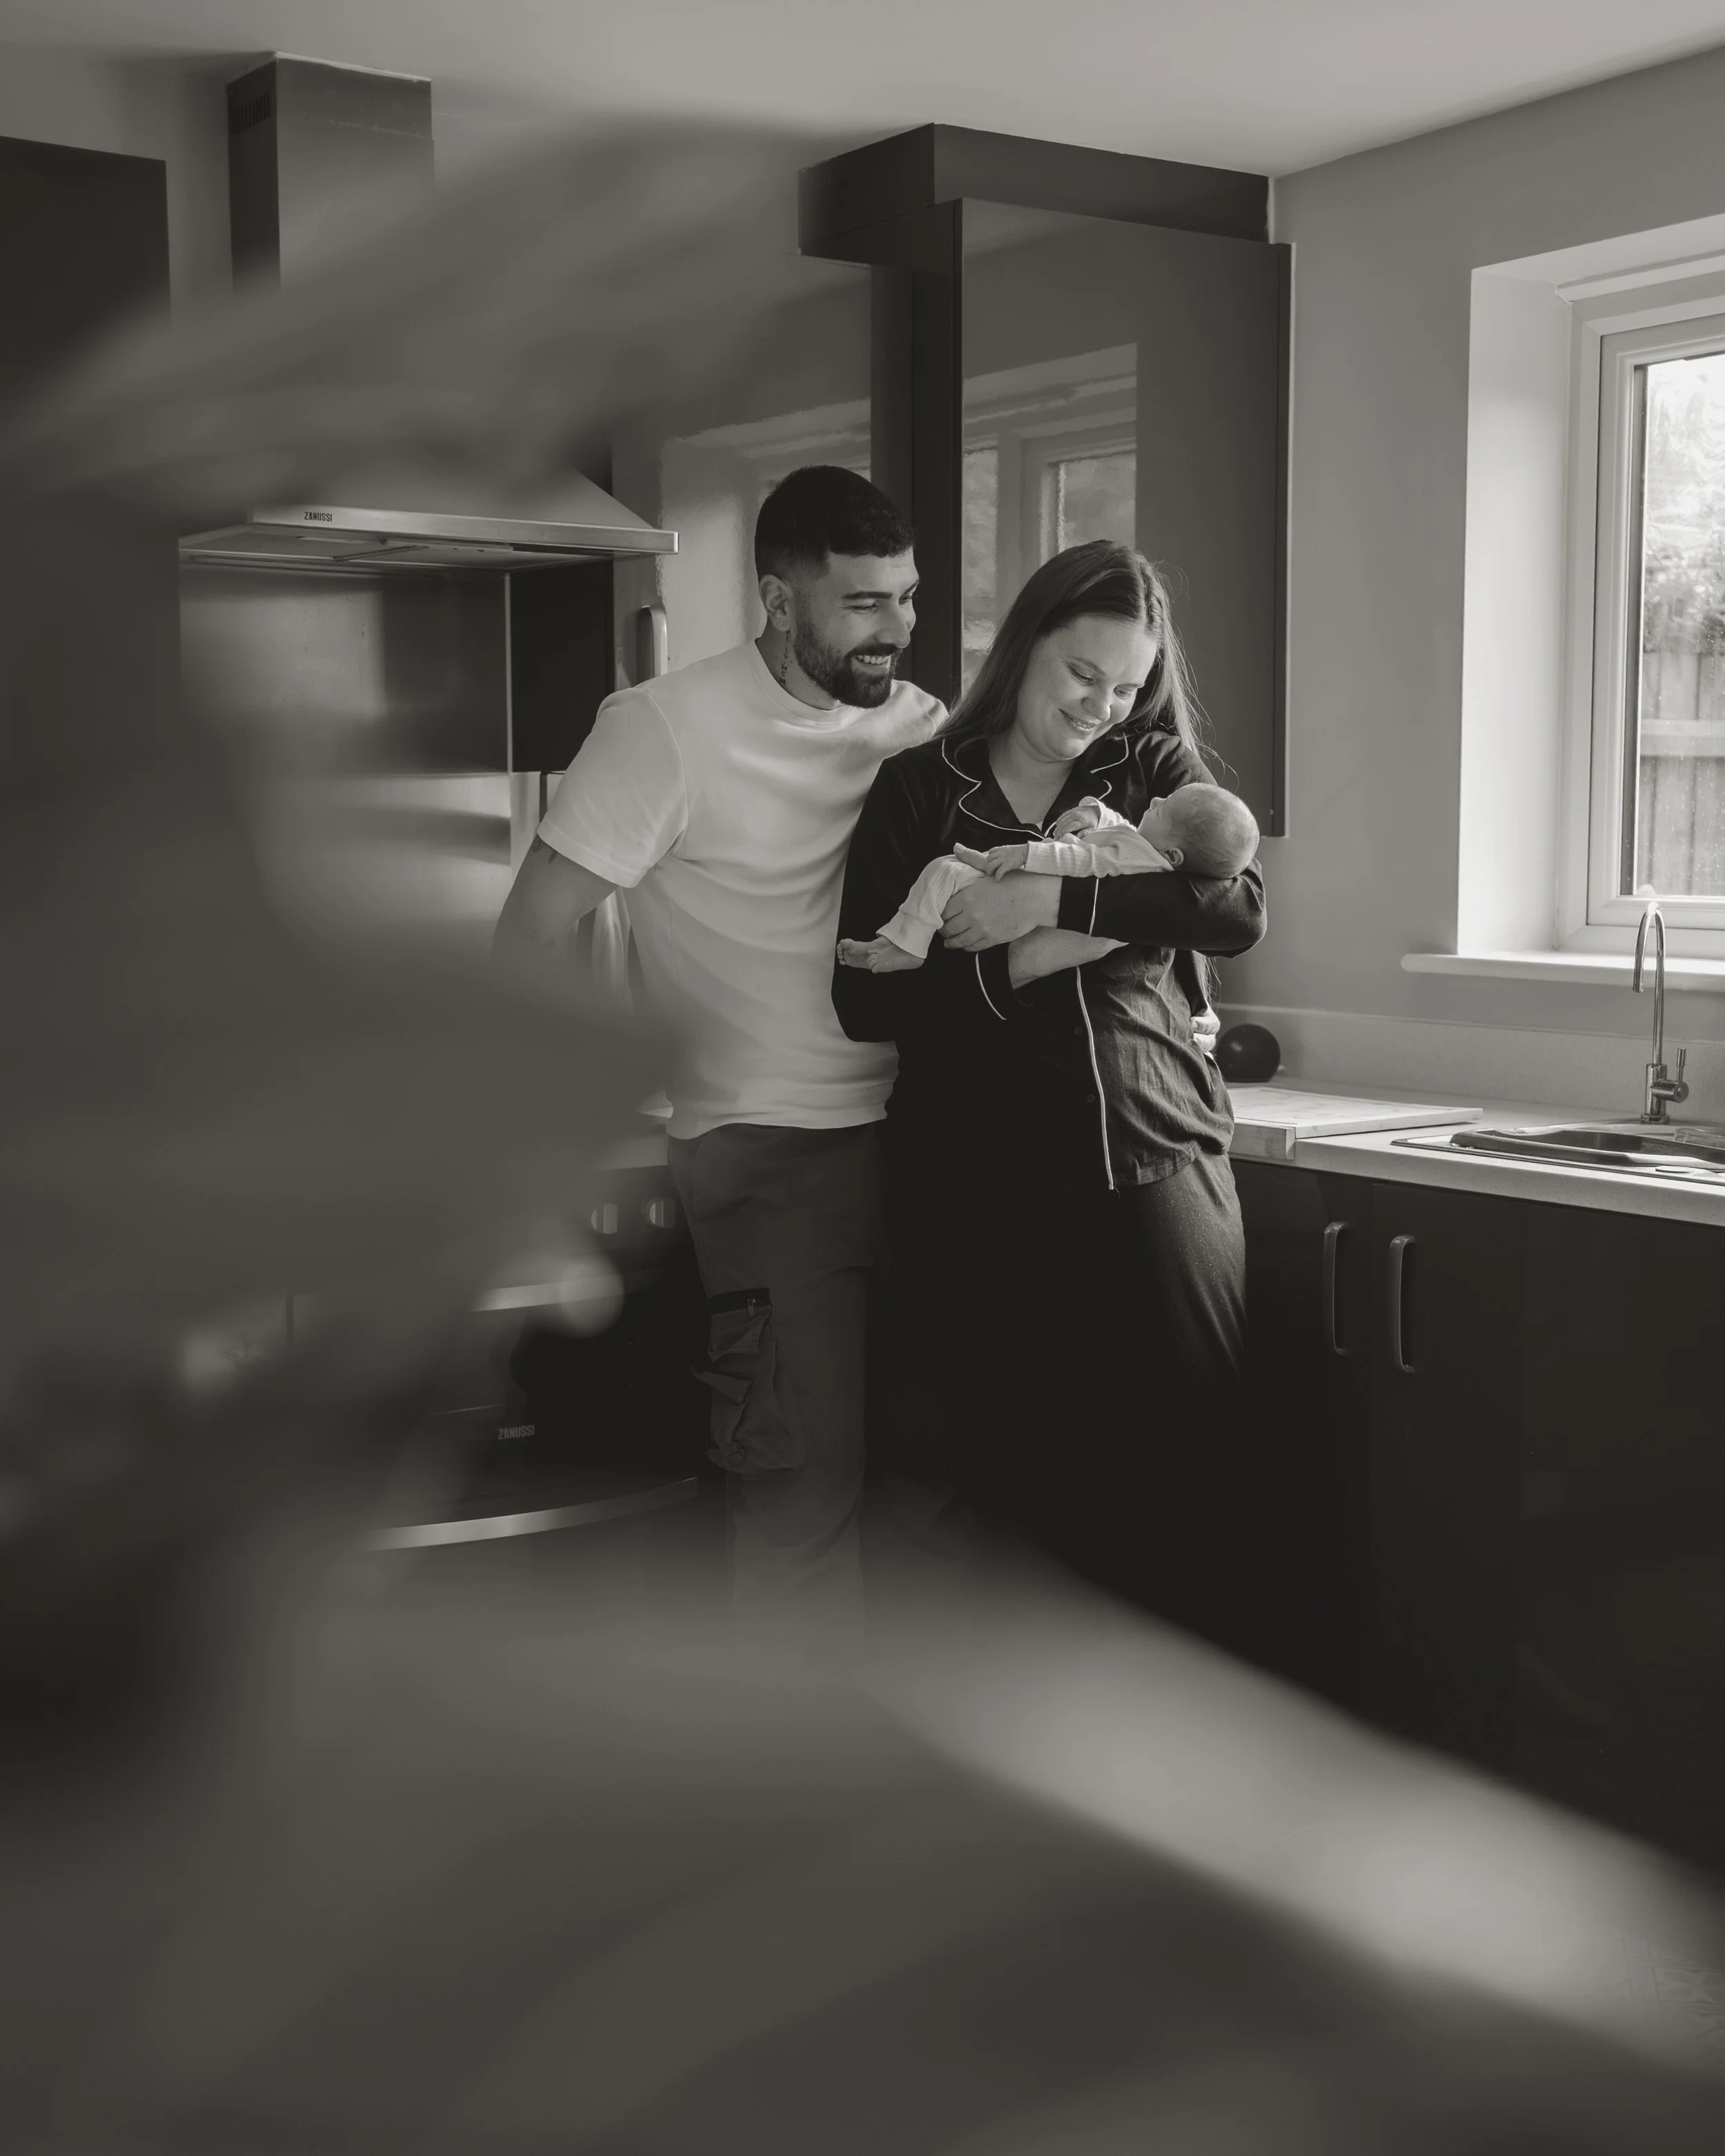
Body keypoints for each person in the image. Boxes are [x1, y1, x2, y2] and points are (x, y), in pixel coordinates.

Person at [493, 465, 943, 1636]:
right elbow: (530, 932)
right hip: (771, 1149)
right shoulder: (663, 729)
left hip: (926, 1141)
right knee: (803, 1496)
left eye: (906, 597)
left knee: (928, 1502)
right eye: (862, 603)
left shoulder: (919, 727)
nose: (895, 629)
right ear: (778, 602)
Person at [832, 540, 1267, 1643]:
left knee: (1180, 1492)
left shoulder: (1152, 767)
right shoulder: (920, 788)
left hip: (1153, 1168)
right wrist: (1019, 964)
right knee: (1007, 1508)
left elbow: (1234, 909)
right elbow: (865, 1001)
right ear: (1025, 644)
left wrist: (1050, 910)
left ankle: (1171, 1742)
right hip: (975, 1195)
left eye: (1124, 685)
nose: (1100, 706)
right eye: (1082, 673)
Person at [837, 781, 1259, 971]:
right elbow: (1119, 831)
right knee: (944, 871)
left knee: (942, 870)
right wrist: (1096, 813)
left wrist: (1025, 856)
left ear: (1173, 855)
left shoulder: (1137, 859)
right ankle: (898, 942)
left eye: (1164, 809)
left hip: (1022, 895)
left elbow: (1080, 860)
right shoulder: (1146, 853)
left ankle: (906, 946)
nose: (1157, 798)